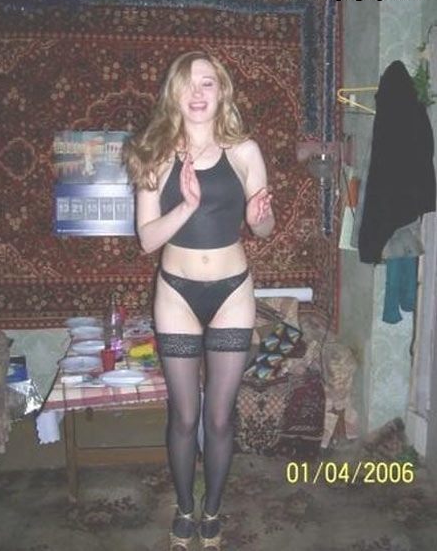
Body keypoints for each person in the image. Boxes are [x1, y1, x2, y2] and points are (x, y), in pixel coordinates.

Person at [124, 51, 274, 550]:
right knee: (185, 415)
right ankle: (185, 507)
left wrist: (259, 217)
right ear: (173, 92)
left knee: (220, 417)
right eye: (187, 83)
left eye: (207, 82)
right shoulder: (153, 153)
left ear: (222, 91)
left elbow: (263, 227)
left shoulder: (245, 151)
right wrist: (187, 206)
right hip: (176, 293)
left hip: (232, 292)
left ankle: (213, 509)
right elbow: (147, 239)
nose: (197, 92)